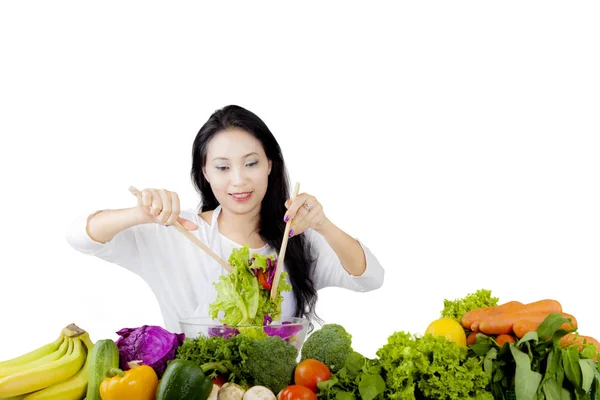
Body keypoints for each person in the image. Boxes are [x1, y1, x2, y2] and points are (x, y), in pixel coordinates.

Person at [66, 105, 384, 333]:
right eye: (222, 167)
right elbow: (78, 236)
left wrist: (323, 225)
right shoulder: (177, 231)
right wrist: (140, 213)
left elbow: (370, 279)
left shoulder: (295, 236)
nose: (239, 181)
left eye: (251, 163)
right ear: (204, 172)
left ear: (270, 164)